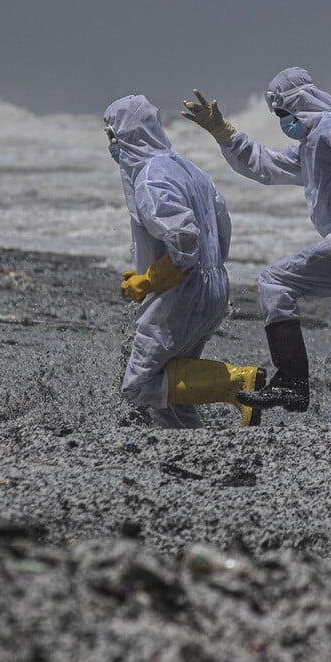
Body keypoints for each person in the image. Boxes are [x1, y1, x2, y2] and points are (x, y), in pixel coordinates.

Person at [182, 68, 331, 415]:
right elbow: (267, 165)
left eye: (281, 114)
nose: (282, 122)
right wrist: (223, 131)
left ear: (297, 105)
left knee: (274, 282)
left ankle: (292, 381)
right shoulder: (311, 146)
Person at [104, 94, 264, 429]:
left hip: (181, 293)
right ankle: (191, 439)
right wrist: (153, 270)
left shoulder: (150, 177)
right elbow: (220, 230)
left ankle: (238, 383)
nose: (111, 147)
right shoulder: (192, 170)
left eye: (111, 137)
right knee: (172, 391)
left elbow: (185, 240)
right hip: (213, 284)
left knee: (141, 385)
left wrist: (152, 280)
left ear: (125, 136)